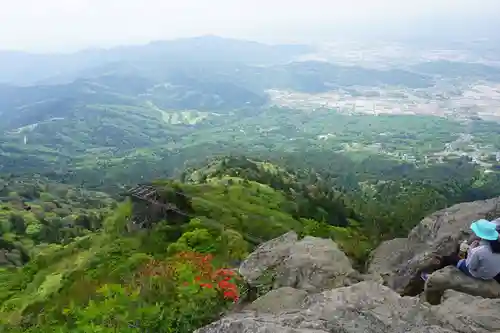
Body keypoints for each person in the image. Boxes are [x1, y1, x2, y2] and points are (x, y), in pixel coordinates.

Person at [422, 219, 500, 282]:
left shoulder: (478, 251)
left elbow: (470, 266)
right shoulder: (496, 245)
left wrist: (470, 250)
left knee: (450, 258)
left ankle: (433, 277)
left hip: (480, 275)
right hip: (493, 273)